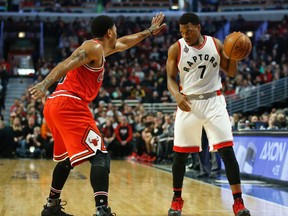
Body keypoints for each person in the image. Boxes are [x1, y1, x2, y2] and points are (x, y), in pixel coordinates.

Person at [29, 14, 166, 216]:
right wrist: (44, 83)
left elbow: (125, 43)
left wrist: (148, 32)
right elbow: (67, 63)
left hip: (58, 104)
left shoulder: (102, 49)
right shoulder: (93, 47)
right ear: (109, 32)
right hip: (70, 103)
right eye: (115, 29)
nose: (118, 32)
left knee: (67, 158)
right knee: (100, 155)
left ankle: (51, 206)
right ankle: (102, 210)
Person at [166, 13, 251, 216]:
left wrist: (234, 57)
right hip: (189, 102)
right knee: (179, 155)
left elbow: (230, 72)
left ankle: (238, 202)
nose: (185, 34)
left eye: (189, 30)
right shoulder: (176, 48)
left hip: (214, 100)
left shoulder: (215, 44)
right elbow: (170, 78)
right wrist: (177, 95)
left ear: (199, 27)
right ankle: (177, 199)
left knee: (227, 152)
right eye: (182, 31)